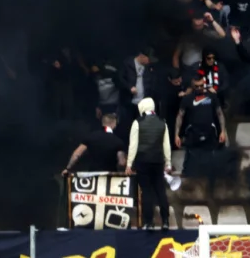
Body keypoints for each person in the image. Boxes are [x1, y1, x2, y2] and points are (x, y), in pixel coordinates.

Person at [126, 97, 172, 229]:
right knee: (160, 190)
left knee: (146, 192)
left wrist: (129, 164)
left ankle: (149, 223)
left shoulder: (137, 122)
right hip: (158, 161)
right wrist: (168, 163)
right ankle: (165, 221)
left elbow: (133, 146)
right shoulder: (162, 122)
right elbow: (166, 145)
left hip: (143, 161)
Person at [63, 113, 127, 174]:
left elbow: (77, 154)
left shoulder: (91, 137)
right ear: (114, 124)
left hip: (93, 174)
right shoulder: (118, 141)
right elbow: (122, 163)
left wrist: (68, 168)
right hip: (110, 175)